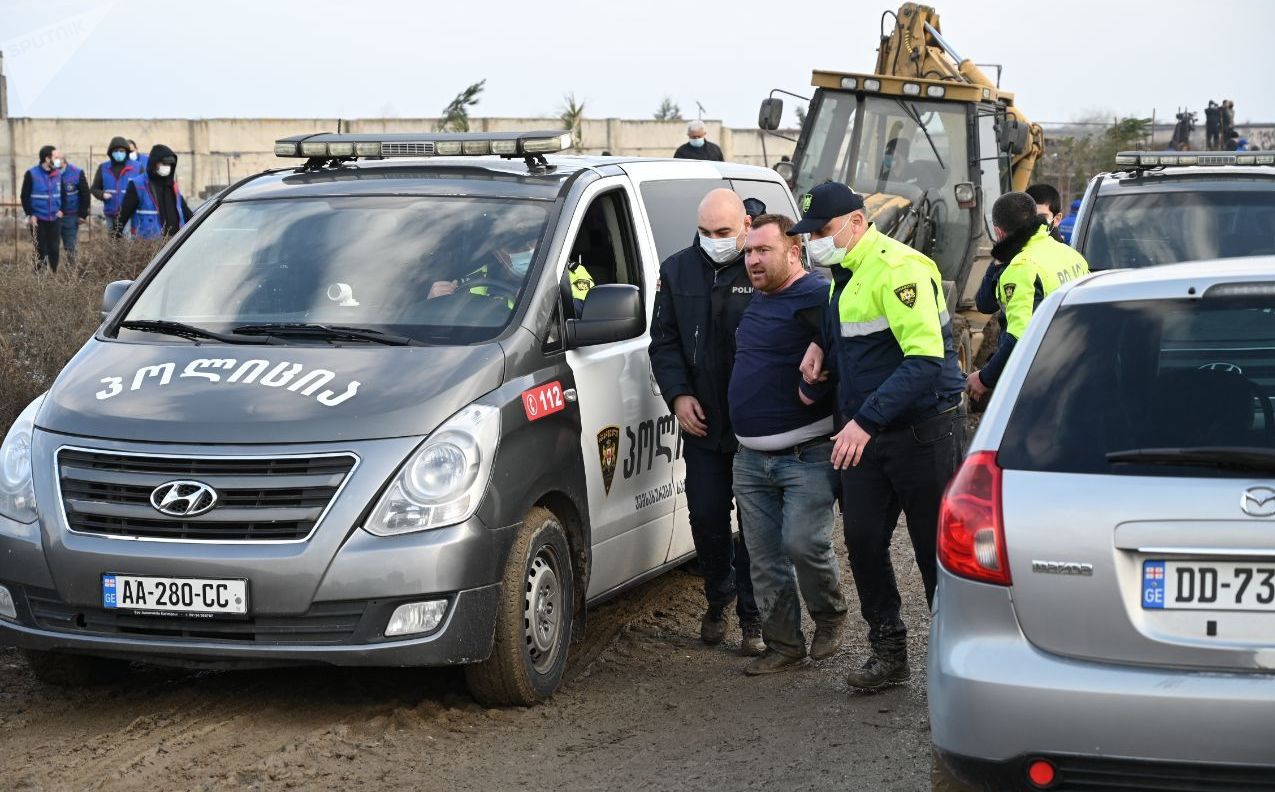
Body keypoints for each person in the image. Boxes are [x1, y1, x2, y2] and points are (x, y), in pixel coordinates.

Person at [791, 181, 965, 691]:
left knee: (935, 549)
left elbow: (926, 360)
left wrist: (864, 422)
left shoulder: (900, 269)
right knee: (863, 540)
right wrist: (821, 349)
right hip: (865, 432)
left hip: (922, 431)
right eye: (810, 234)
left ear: (856, 222)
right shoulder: (841, 275)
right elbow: (848, 333)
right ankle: (888, 650)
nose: (814, 243)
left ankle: (953, 658)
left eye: (822, 231)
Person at [728, 213, 848, 675]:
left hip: (807, 454)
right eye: (749, 252)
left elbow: (846, 353)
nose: (753, 260)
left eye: (764, 251)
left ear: (793, 251)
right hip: (750, 459)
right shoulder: (756, 299)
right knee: (763, 557)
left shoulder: (820, 296)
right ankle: (784, 645)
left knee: (802, 544)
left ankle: (831, 614)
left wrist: (820, 361)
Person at [649, 188, 762, 655]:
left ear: (745, 228)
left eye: (723, 233)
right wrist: (678, 396)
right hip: (702, 425)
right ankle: (719, 598)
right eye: (705, 232)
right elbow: (664, 342)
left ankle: (753, 619)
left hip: (755, 427)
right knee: (708, 516)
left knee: (755, 525)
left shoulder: (760, 268)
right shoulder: (677, 269)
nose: (714, 241)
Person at [967, 192, 1089, 399]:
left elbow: (1019, 338)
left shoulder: (1022, 267)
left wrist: (984, 378)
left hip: (1040, 380)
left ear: (999, 232)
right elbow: (985, 303)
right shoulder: (1071, 255)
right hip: (1078, 367)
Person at [113, 145, 194, 239]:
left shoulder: (172, 186)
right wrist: (115, 243)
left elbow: (187, 214)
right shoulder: (138, 185)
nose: (166, 167)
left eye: (169, 164)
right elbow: (122, 216)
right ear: (154, 163)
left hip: (176, 244)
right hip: (149, 245)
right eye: (163, 164)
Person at [21, 145, 65, 272]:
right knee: (41, 249)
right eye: (55, 157)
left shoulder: (58, 174)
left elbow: (62, 194)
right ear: (47, 159)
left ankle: (54, 275)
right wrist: (30, 214)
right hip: (38, 218)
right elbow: (25, 196)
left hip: (54, 218)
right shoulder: (32, 174)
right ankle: (40, 278)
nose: (58, 160)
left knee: (54, 248)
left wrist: (62, 209)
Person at [92, 136, 145, 230]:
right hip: (110, 214)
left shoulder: (137, 168)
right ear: (111, 152)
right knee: (112, 242)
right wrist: (102, 194)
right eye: (116, 151)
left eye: (121, 151)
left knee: (127, 242)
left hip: (130, 215)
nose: (119, 153)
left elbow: (145, 190)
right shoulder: (103, 168)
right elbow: (94, 188)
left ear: (126, 152)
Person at [57, 154, 90, 266]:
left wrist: (83, 214)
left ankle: (72, 273)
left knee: (71, 246)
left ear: (63, 160)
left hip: (70, 216)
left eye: (58, 158)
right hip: (52, 217)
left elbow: (85, 194)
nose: (55, 161)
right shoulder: (48, 173)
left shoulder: (76, 172)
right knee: (50, 247)